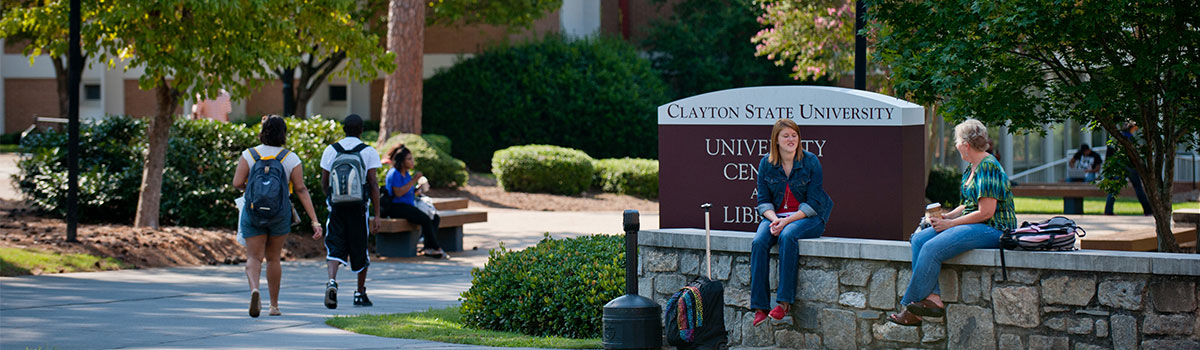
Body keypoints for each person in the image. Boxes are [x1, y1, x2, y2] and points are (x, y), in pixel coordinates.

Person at [888, 119, 1017, 326]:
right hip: (977, 224)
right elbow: (968, 205)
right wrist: (948, 216)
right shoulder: (972, 168)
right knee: (920, 239)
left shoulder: (988, 167)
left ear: (966, 144)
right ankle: (933, 298)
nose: (955, 145)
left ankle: (910, 307)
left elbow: (986, 212)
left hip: (994, 228)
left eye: (957, 141)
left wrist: (950, 225)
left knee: (932, 248)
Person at [232, 115, 323, 317]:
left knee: (254, 257)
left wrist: (255, 190)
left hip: (253, 212)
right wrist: (315, 221)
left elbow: (237, 183)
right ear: (283, 134)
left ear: (262, 132)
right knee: (273, 258)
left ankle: (255, 289)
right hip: (280, 213)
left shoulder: (249, 154)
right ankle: (274, 306)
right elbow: (301, 189)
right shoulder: (290, 158)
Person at [749, 118, 834, 327]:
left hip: (809, 217)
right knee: (759, 241)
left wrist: (786, 222)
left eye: (794, 135)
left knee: (788, 235)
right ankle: (760, 307)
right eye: (785, 136)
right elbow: (763, 202)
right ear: (776, 140)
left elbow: (814, 202)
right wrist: (776, 219)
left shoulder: (810, 161)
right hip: (776, 217)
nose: (791, 139)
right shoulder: (766, 164)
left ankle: (784, 303)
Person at [318, 114, 382, 309]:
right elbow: (373, 183)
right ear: (361, 130)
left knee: (335, 246)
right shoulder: (368, 151)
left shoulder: (331, 150)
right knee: (360, 249)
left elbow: (324, 181)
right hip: (358, 209)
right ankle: (359, 293)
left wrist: (331, 199)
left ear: (343, 129)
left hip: (336, 207)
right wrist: (377, 214)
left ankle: (331, 281)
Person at [382, 145, 446, 259]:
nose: (412, 161)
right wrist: (414, 180)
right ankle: (435, 247)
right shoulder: (394, 173)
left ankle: (428, 247)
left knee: (434, 217)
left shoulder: (406, 174)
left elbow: (408, 191)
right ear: (402, 161)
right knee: (424, 219)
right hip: (396, 207)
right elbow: (398, 193)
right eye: (409, 159)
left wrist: (418, 189)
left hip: (409, 205)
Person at [1105, 122, 1151, 215]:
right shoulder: (1129, 137)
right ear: (1132, 127)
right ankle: (1148, 210)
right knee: (1138, 188)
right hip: (1129, 166)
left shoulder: (1118, 137)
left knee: (1115, 189)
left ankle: (1108, 210)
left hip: (1119, 165)